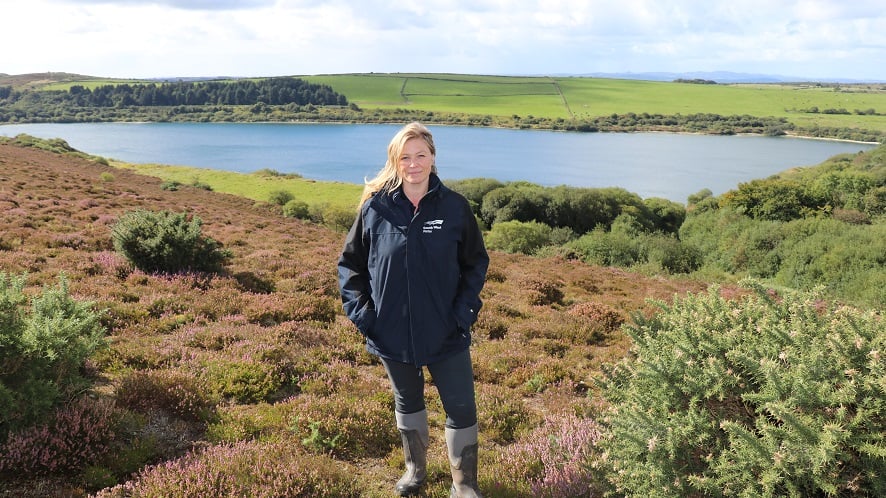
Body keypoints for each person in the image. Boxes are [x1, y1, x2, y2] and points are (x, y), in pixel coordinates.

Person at [337, 122, 489, 497]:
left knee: (461, 408)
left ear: (433, 158)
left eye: (421, 155)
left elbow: (475, 263)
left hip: (446, 332)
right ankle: (414, 472)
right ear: (395, 161)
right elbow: (350, 266)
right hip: (391, 333)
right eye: (405, 157)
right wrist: (364, 317)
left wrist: (463, 314)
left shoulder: (454, 208)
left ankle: (464, 485)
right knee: (407, 402)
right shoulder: (376, 208)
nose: (414, 163)